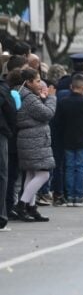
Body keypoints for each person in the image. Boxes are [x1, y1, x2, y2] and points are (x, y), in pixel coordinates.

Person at [15, 68, 56, 221]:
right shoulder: (29, 98)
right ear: (29, 82)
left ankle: (31, 208)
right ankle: (22, 204)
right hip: (34, 139)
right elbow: (47, 114)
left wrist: (43, 99)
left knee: (32, 173)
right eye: (38, 81)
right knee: (43, 174)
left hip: (30, 139)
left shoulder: (26, 95)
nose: (40, 84)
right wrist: (51, 98)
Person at [55, 74, 83, 207]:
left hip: (67, 138)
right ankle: (79, 196)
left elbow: (58, 122)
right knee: (81, 167)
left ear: (72, 87)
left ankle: (70, 197)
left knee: (69, 167)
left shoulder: (62, 102)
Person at [0, 73, 17, 230]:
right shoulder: (3, 89)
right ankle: (1, 216)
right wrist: (10, 131)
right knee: (2, 175)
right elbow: (12, 112)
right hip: (1, 134)